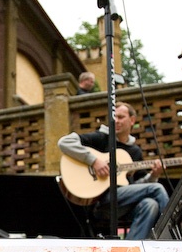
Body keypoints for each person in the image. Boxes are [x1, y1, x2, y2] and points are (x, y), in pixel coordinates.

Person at [58, 101, 169, 239]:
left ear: (132, 120)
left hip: (124, 204)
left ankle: (130, 250)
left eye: (121, 117)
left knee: (150, 204)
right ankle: (170, 233)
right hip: (102, 201)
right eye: (114, 117)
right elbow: (64, 142)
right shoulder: (101, 138)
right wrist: (94, 161)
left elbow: (136, 186)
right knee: (157, 188)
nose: (116, 121)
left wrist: (153, 176)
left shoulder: (135, 151)